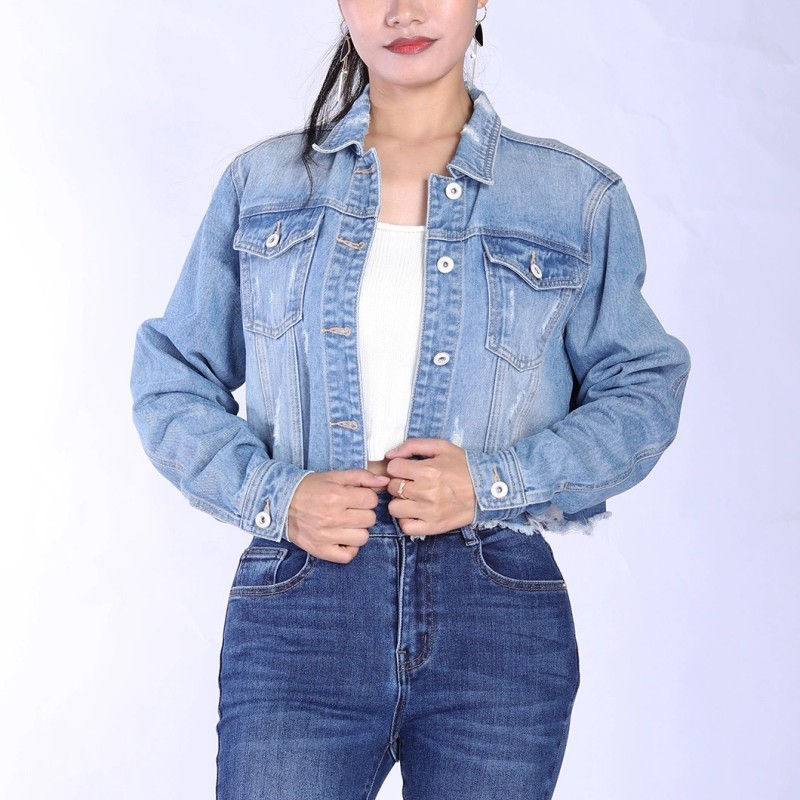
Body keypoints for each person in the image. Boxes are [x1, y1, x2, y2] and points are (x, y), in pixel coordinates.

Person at [130, 2, 691, 797]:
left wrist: (492, 482)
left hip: (496, 619)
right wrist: (277, 497)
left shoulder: (574, 198)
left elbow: (643, 389)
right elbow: (172, 375)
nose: (404, 11)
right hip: (301, 611)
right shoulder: (264, 185)